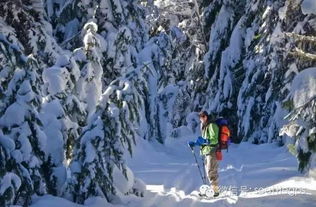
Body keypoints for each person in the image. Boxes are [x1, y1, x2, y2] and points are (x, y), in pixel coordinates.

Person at [188, 111, 220, 197]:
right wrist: (195, 143)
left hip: (212, 151)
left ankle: (215, 191)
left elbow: (214, 140)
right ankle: (210, 190)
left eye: (201, 117)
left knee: (212, 171)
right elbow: (204, 140)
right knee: (208, 171)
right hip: (207, 151)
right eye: (199, 118)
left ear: (205, 117)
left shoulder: (212, 125)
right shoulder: (205, 125)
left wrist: (205, 141)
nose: (200, 119)